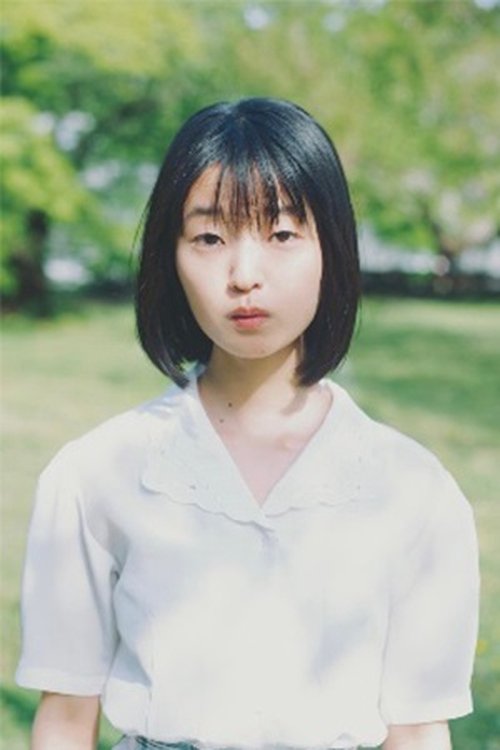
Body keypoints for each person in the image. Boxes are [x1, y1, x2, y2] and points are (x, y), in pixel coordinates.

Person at [16, 98, 479, 750]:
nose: (244, 275)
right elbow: (65, 719)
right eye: (209, 238)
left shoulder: (413, 491)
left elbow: (419, 730)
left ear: (332, 248)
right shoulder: (95, 475)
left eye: (282, 234)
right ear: (170, 256)